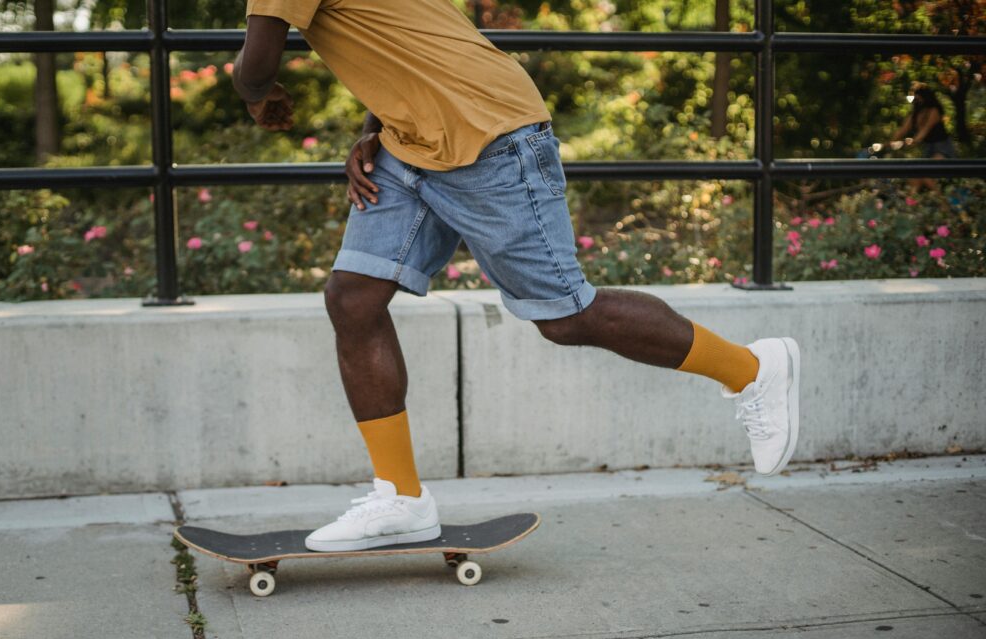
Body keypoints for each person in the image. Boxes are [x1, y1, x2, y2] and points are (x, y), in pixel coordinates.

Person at [232, 0, 801, 552]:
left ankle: (752, 370)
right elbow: (409, 38)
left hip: (488, 138)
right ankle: (401, 499)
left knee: (568, 316)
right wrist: (373, 128)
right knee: (353, 299)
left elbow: (256, 67)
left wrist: (257, 95)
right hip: (411, 145)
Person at [890, 85, 957, 160]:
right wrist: (891, 142)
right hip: (928, 147)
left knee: (936, 163)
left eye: (919, 99)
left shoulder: (934, 111)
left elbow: (926, 129)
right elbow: (903, 129)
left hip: (941, 147)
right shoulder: (915, 114)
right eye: (915, 99)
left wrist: (913, 141)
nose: (917, 101)